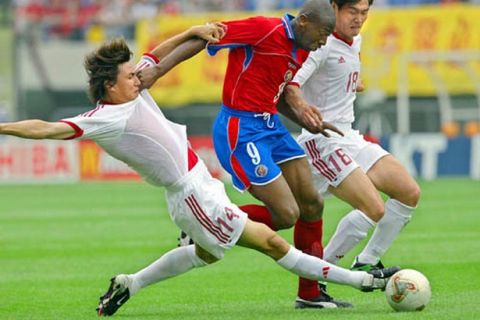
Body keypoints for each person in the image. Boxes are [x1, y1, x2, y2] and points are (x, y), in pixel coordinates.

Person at [0, 26, 400, 316]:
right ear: (110, 86)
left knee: (206, 255)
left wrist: (191, 31)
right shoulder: (105, 117)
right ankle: (362, 281)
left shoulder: (133, 89)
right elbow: (48, 128)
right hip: (190, 194)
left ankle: (131, 282)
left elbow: (155, 56)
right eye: (127, 76)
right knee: (273, 243)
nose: (136, 77)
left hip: (198, 184)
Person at [139, 0, 353, 308]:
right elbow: (206, 36)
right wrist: (157, 71)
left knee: (312, 203)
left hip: (271, 126)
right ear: (304, 21)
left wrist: (304, 119)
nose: (325, 41)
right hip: (241, 130)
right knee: (286, 215)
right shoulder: (264, 29)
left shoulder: (304, 47)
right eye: (324, 32)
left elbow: (274, 94)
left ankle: (309, 294)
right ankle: (203, 228)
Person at [284, 0, 420, 279]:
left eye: (364, 13)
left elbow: (337, 75)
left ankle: (366, 260)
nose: (359, 19)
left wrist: (352, 83)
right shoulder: (320, 45)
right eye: (352, 12)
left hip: (349, 137)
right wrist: (304, 108)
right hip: (322, 140)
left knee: (408, 192)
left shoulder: (354, 40)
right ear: (334, 9)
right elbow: (292, 84)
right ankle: (320, 277)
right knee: (369, 207)